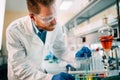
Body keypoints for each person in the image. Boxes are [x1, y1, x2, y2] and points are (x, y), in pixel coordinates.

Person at [6, 0, 91, 80]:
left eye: (54, 16)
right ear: (32, 16)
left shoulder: (56, 26)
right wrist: (50, 78)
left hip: (40, 72)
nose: (54, 22)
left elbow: (61, 51)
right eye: (48, 18)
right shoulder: (15, 30)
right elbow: (20, 68)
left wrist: (75, 56)